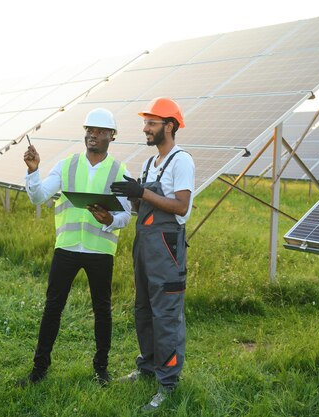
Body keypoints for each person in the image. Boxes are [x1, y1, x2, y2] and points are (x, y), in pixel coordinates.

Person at [18, 108, 131, 387]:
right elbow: (39, 196)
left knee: (102, 310)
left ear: (111, 137)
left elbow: (126, 215)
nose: (93, 134)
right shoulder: (67, 164)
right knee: (52, 308)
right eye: (89, 130)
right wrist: (33, 172)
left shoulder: (120, 171)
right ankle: (39, 369)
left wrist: (110, 219)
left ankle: (101, 369)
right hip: (66, 249)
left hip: (100, 252)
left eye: (100, 131)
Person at [110, 97, 195, 412]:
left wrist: (142, 192)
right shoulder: (149, 163)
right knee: (143, 311)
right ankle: (147, 368)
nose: (145, 128)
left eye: (151, 123)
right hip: (144, 247)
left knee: (166, 316)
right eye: (145, 122)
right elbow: (145, 207)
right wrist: (132, 198)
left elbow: (181, 206)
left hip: (168, 251)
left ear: (169, 126)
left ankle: (168, 385)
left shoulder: (181, 161)